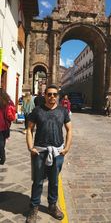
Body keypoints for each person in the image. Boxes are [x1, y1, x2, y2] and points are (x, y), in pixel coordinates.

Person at [26, 84, 72, 223]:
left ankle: (52, 206)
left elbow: (69, 130)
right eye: (49, 94)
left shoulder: (63, 111)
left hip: (57, 152)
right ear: (44, 95)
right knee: (38, 181)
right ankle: (34, 208)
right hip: (40, 151)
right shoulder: (37, 110)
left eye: (54, 94)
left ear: (57, 96)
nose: (52, 97)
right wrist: (30, 147)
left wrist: (67, 147)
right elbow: (29, 129)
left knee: (54, 181)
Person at [0, 88, 16, 164]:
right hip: (6, 126)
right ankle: (2, 156)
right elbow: (13, 111)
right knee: (2, 142)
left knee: (1, 142)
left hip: (2, 125)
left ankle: (2, 156)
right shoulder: (9, 102)